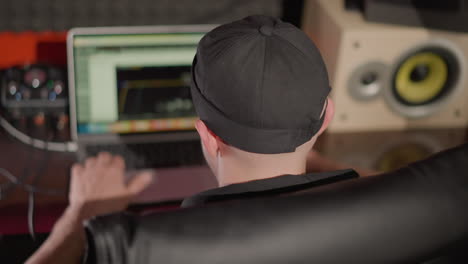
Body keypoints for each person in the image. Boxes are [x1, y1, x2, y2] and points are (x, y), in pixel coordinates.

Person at [26, 15, 375, 264]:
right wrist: (324, 166)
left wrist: (79, 218)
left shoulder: (144, 246)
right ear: (327, 117)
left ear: (207, 136)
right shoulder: (385, 212)